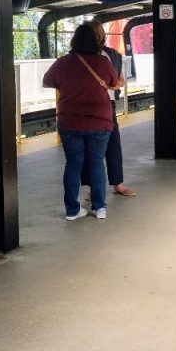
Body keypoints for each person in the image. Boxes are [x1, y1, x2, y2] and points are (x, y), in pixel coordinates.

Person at [42, 23, 118, 221]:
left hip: (70, 123)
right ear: (97, 41)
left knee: (73, 164)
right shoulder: (103, 62)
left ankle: (72, 210)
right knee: (96, 163)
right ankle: (99, 207)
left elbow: (47, 81)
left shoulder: (63, 62)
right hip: (99, 122)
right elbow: (113, 83)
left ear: (74, 40)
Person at [81, 20, 135, 198]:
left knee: (110, 143)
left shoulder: (112, 55)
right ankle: (97, 185)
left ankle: (115, 182)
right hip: (91, 104)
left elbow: (120, 80)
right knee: (93, 145)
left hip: (104, 104)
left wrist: (112, 86)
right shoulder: (78, 56)